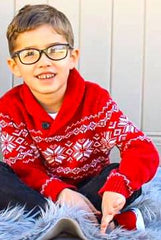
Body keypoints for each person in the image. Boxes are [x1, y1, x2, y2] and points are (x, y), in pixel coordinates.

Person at [0, 4, 159, 234]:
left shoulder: (96, 99)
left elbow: (141, 148)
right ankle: (88, 220)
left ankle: (68, 220)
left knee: (123, 175)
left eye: (55, 50)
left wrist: (119, 185)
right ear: (14, 66)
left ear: (73, 57)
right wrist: (60, 193)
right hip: (41, 192)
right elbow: (24, 166)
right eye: (29, 54)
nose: (44, 61)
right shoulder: (9, 107)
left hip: (91, 186)